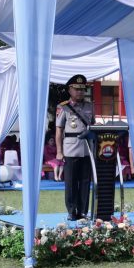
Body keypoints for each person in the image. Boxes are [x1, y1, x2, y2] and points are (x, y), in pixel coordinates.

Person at [55, 74, 95, 221]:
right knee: (71, 182)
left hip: (87, 149)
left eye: (82, 89)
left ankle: (83, 211)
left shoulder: (90, 106)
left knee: (85, 182)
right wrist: (59, 151)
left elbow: (93, 126)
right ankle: (72, 211)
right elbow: (59, 130)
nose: (80, 92)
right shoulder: (63, 107)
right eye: (76, 89)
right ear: (70, 90)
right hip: (70, 148)